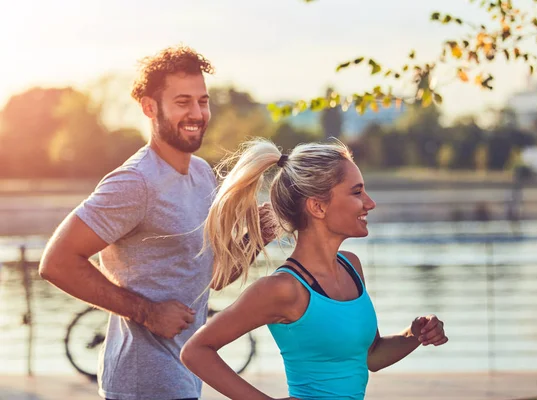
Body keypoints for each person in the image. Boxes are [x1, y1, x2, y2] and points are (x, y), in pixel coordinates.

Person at [39, 45, 274, 400]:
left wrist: (254, 240)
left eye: (202, 101)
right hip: (141, 383)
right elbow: (56, 262)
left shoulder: (201, 175)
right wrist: (147, 312)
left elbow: (205, 280)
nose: (196, 113)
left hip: (183, 379)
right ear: (150, 107)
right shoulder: (135, 182)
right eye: (182, 102)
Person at [180, 138, 449, 400]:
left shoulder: (351, 266)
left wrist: (413, 335)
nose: (370, 202)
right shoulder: (283, 289)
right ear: (318, 206)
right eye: (357, 192)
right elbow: (196, 351)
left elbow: (371, 357)